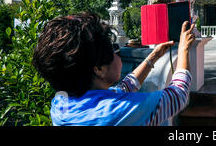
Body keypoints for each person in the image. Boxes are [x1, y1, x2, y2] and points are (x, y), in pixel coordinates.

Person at [32, 12, 195, 126]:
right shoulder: (115, 114)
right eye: (115, 49)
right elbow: (177, 96)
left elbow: (123, 88)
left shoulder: (61, 102)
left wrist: (153, 57)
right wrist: (183, 49)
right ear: (99, 69)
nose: (119, 54)